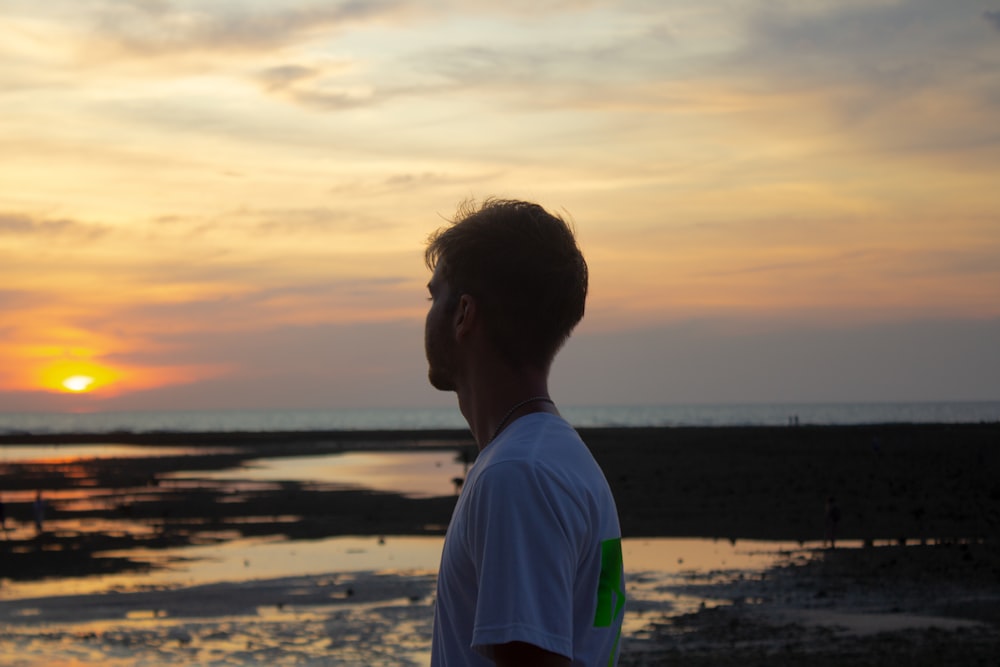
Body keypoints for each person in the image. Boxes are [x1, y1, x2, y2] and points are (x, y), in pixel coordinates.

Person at [425, 198, 626, 666]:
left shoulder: (518, 475)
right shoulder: (558, 459)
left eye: (433, 295)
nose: (429, 313)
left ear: (464, 314)